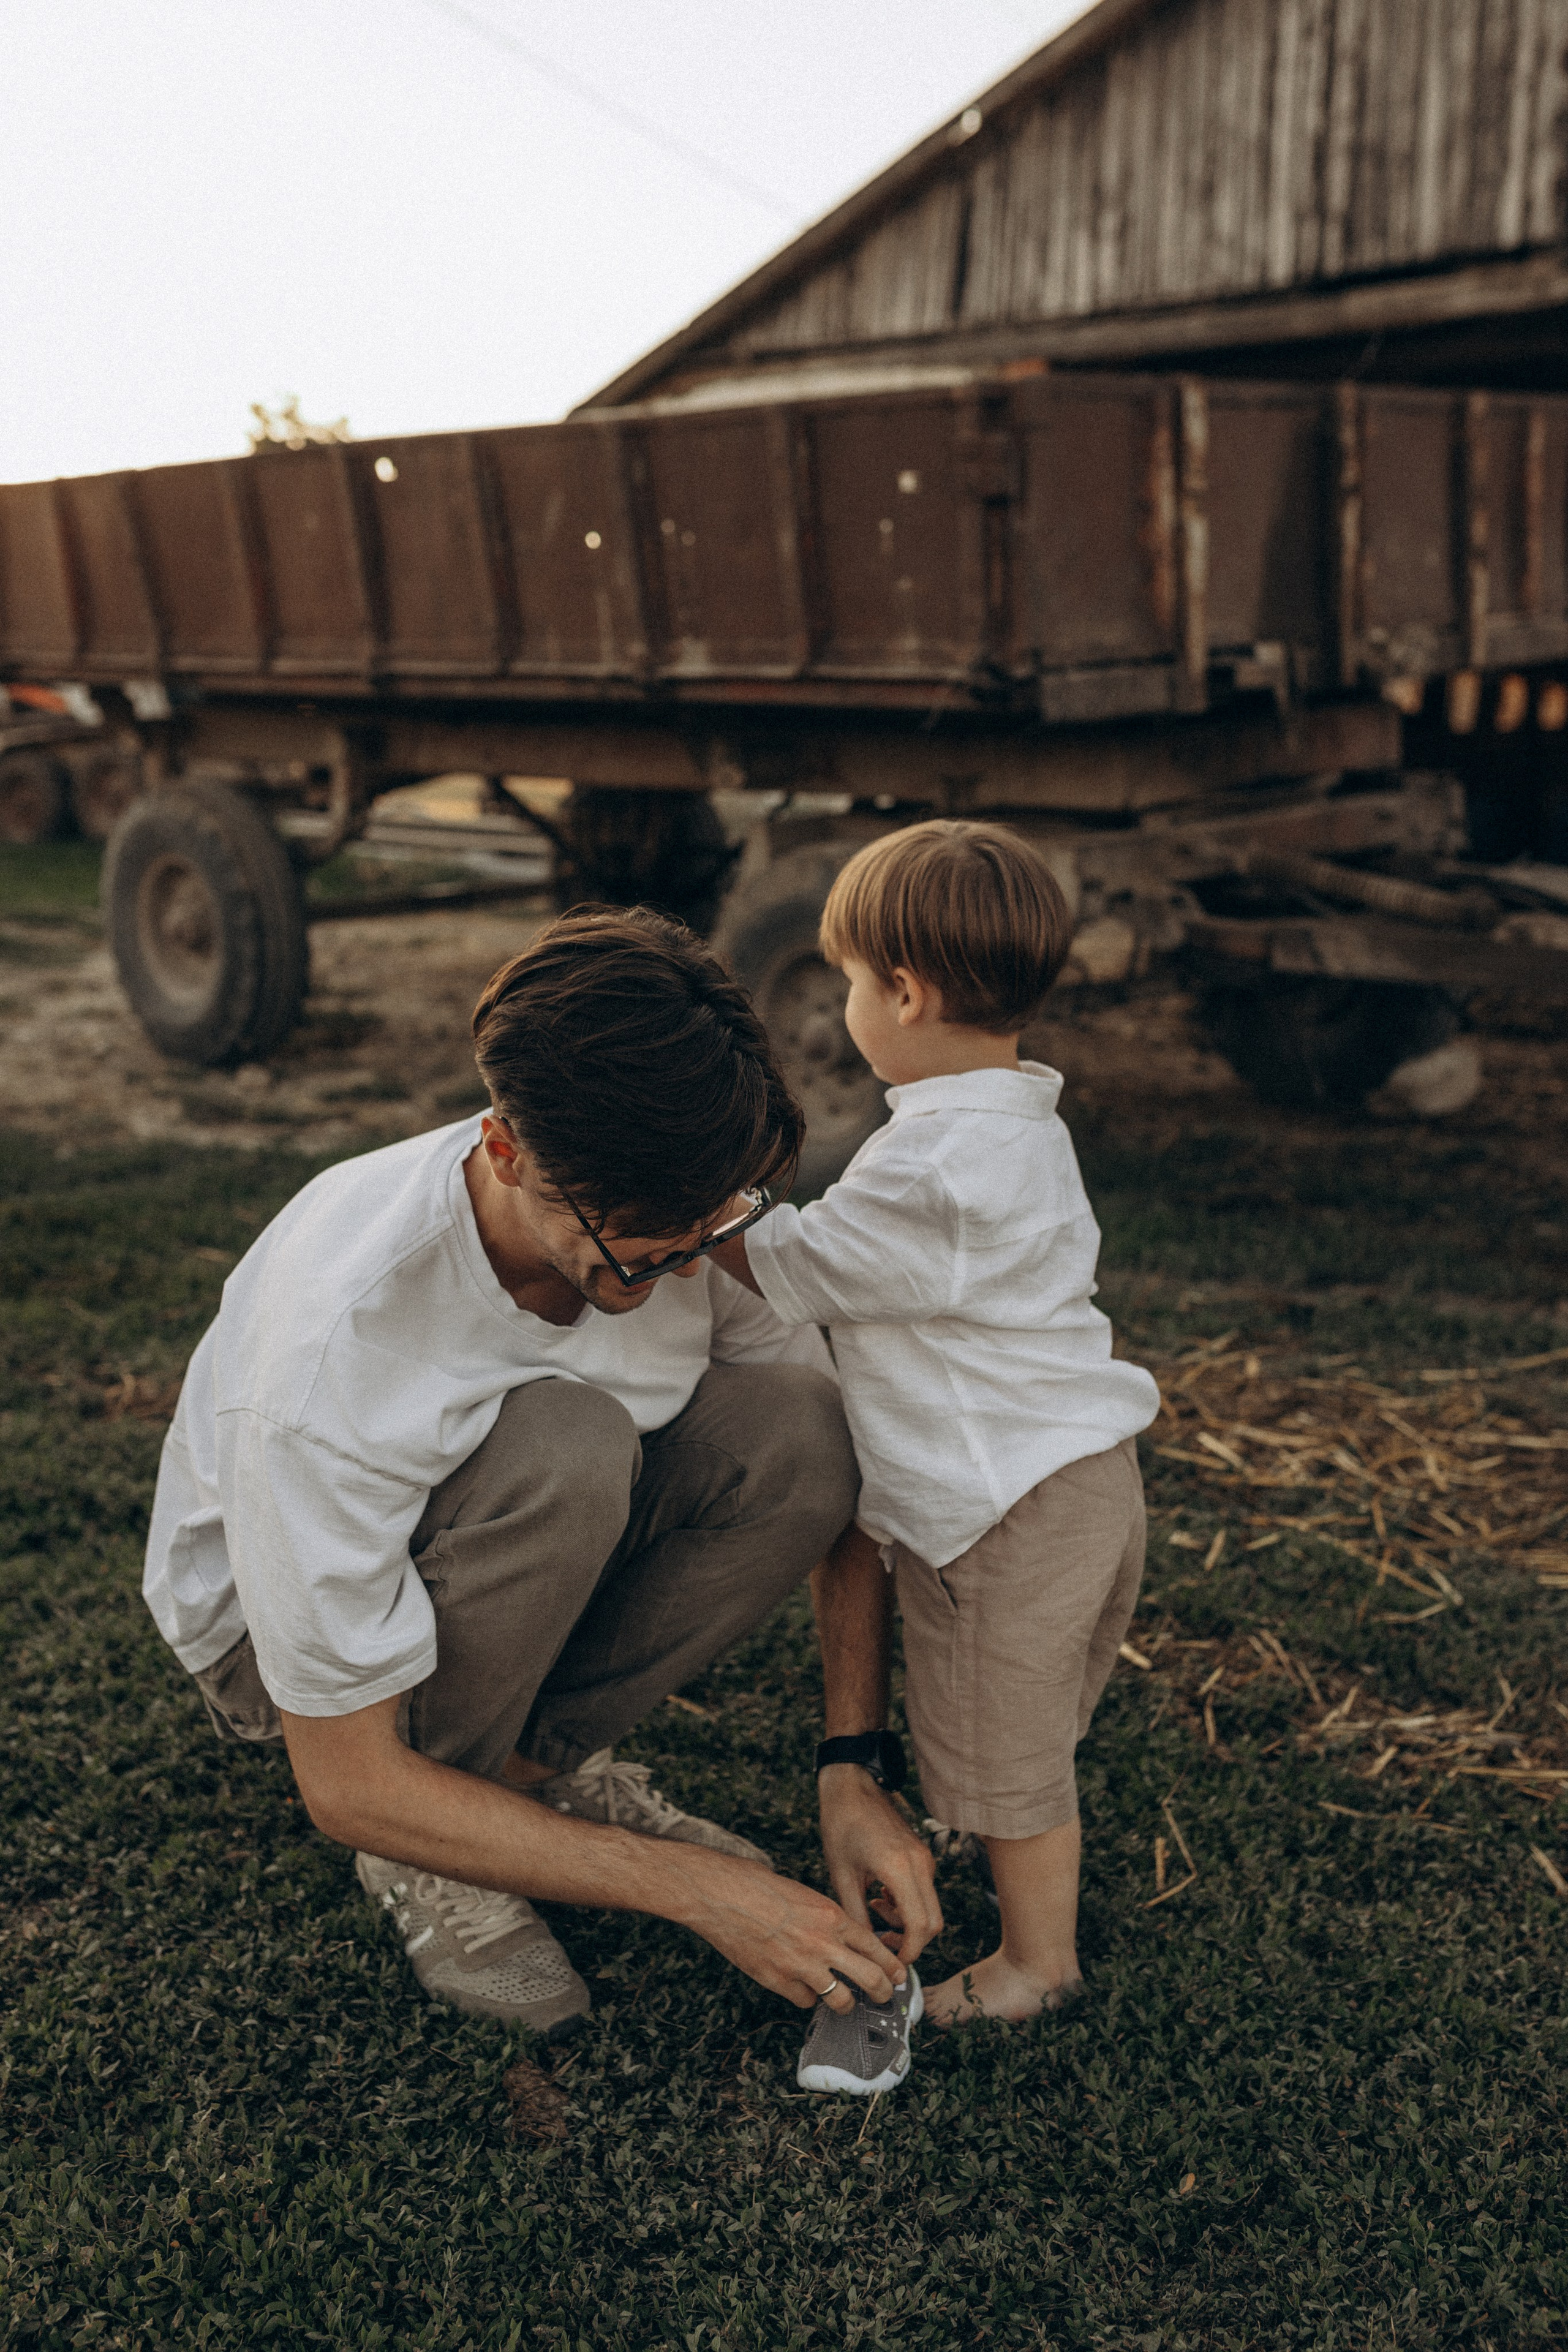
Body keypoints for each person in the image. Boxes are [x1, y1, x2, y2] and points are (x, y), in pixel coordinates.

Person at [141, 908, 941, 2040]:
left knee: (806, 1425)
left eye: (710, 1224)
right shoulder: (333, 1351)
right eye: (643, 1245)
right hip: (275, 1648)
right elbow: (344, 1785)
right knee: (570, 1440)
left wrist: (850, 1766)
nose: (686, 1261)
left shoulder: (681, 1202)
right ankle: (434, 1849)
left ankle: (522, 1770)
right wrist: (701, 1893)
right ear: (506, 1151)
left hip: (519, 1528)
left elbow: (828, 1464)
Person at [714, 820, 1159, 2085]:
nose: (848, 1004)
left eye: (850, 981)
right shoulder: (1019, 1126)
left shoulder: (930, 1170)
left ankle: (1034, 1963)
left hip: (998, 1510)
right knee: (1024, 1717)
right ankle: (1011, 1849)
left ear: (901, 992)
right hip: (1081, 1479)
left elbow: (798, 1264)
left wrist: (718, 1219)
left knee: (998, 1743)